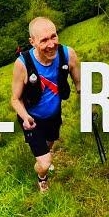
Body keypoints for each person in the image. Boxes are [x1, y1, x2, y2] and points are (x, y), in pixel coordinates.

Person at [11, 17, 81, 193]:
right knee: (44, 162)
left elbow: (80, 84)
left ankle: (44, 155)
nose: (51, 44)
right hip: (32, 119)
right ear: (32, 42)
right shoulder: (22, 64)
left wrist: (88, 102)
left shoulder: (68, 54)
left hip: (54, 115)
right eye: (44, 40)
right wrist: (25, 116)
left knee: (50, 144)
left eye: (53, 36)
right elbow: (15, 99)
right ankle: (42, 178)